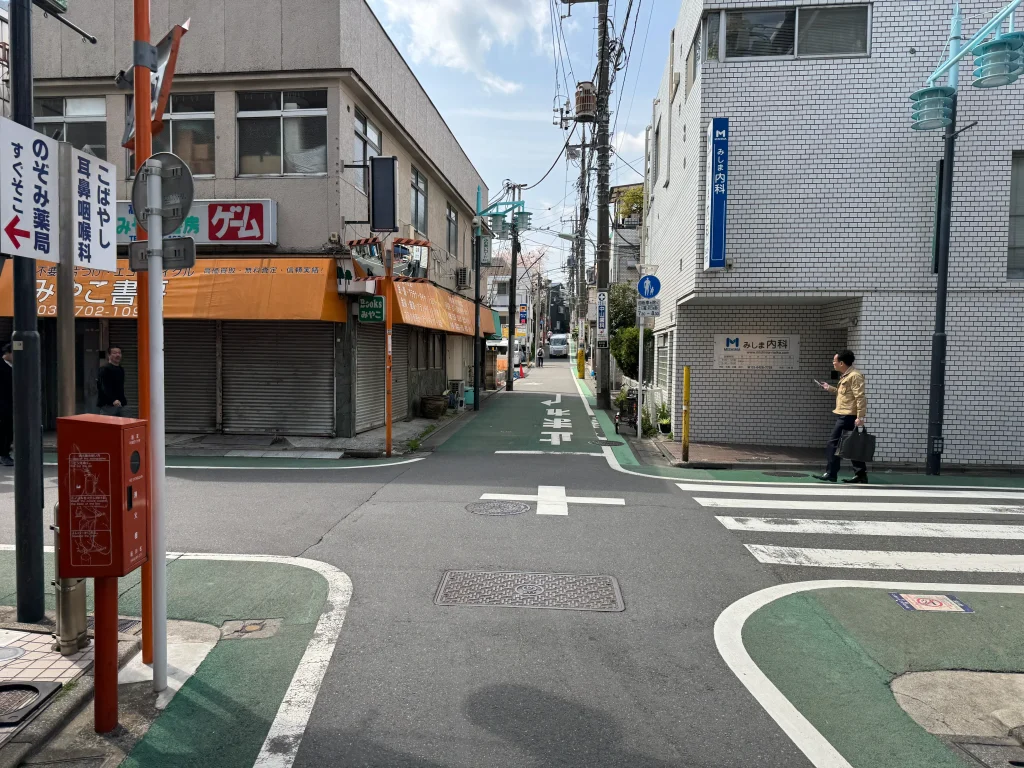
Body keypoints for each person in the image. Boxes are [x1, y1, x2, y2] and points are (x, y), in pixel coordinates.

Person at [817, 349, 868, 484]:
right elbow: (844, 394)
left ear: (841, 363)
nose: (833, 363)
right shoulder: (846, 376)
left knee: (833, 443)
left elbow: (860, 397)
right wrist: (829, 388)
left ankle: (831, 473)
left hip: (848, 416)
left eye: (834, 361)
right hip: (845, 414)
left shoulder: (854, 376)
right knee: (851, 445)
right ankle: (860, 474)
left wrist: (860, 417)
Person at [97, 345, 128, 416]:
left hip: (121, 404)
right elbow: (104, 386)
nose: (118, 355)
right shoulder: (104, 369)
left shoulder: (121, 369)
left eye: (119, 353)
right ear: (109, 355)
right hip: (108, 405)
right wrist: (113, 400)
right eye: (114, 353)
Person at [0, 344, 13, 466]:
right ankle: (4, 454)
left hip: (12, 403)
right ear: (8, 353)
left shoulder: (15, 366)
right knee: (5, 429)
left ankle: (4, 453)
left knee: (9, 429)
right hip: (3, 404)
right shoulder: (2, 366)